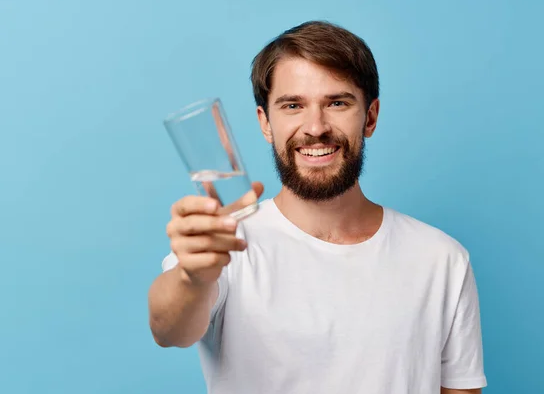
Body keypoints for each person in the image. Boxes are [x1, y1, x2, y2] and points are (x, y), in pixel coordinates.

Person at [148, 20, 488, 394]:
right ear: (265, 122)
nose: (315, 127)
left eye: (337, 103)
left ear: (370, 117)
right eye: (292, 105)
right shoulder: (227, 244)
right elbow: (169, 330)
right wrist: (192, 278)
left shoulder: (441, 259)